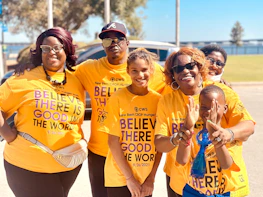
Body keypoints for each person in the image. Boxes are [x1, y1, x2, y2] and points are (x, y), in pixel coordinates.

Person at [14, 22, 166, 197]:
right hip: (100, 151)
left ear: (127, 42)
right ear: (103, 45)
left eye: (118, 39)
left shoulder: (146, 71)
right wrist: (30, 67)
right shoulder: (89, 68)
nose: (113, 44)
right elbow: (56, 74)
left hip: (134, 154)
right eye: (107, 41)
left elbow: (178, 83)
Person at [154, 47, 255, 197]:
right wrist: (177, 137)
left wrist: (228, 133)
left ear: (200, 67)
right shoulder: (167, 101)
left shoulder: (220, 92)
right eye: (178, 68)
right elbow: (160, 143)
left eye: (190, 66)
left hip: (226, 185)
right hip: (186, 185)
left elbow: (248, 126)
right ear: (172, 74)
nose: (185, 71)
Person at [0, 27, 86, 197]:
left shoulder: (78, 79)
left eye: (57, 48)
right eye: (45, 49)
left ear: (67, 49)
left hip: (68, 164)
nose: (51, 52)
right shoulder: (23, 79)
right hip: (28, 166)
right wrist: (7, 134)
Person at [101, 48, 162, 197]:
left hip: (145, 178)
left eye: (144, 70)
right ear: (127, 71)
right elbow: (113, 142)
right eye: (134, 70)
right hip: (119, 177)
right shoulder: (118, 98)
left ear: (152, 70)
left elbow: (159, 144)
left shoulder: (158, 101)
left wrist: (151, 178)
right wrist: (129, 178)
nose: (140, 75)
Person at [176, 85, 248, 196]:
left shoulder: (228, 135)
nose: (209, 111)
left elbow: (226, 164)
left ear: (225, 108)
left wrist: (213, 132)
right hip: (193, 191)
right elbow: (182, 160)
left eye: (215, 107)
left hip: (221, 193)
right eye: (204, 107)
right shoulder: (195, 132)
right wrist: (187, 128)